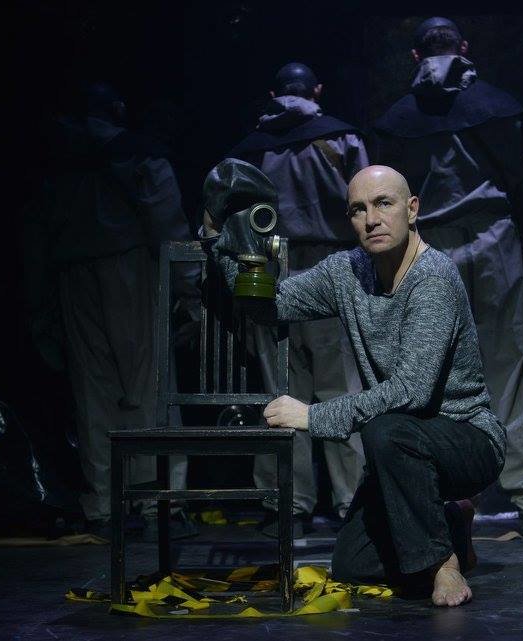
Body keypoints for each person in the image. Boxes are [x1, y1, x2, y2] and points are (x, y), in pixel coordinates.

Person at [206, 164, 504, 607]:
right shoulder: (348, 271)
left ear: (412, 209)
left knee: (386, 428)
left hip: (466, 439)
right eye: (358, 210)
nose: (371, 219)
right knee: (352, 564)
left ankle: (443, 563)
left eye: (383, 204)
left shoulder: (434, 278)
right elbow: (270, 305)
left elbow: (411, 391)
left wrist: (312, 416)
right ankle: (450, 523)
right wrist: (220, 240)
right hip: (400, 450)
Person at [371, 17, 523, 535]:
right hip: (496, 242)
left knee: (431, 378)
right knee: (512, 368)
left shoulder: (397, 120)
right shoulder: (500, 107)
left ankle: (439, 499)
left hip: (430, 250)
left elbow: (384, 201)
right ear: (464, 47)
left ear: (414, 56)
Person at [23, 82, 199, 537]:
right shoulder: (137, 153)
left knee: (94, 394)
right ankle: (161, 503)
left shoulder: (55, 158)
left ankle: (106, 505)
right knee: (151, 386)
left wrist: (41, 311)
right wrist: (189, 290)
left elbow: (34, 239)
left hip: (74, 276)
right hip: (132, 269)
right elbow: (166, 220)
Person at [225, 63, 370, 535]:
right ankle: (354, 501)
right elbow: (369, 203)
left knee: (281, 390)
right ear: (317, 91)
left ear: (273, 94)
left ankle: (286, 501)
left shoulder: (252, 150)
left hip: (271, 271)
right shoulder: (341, 140)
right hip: (334, 267)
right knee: (341, 387)